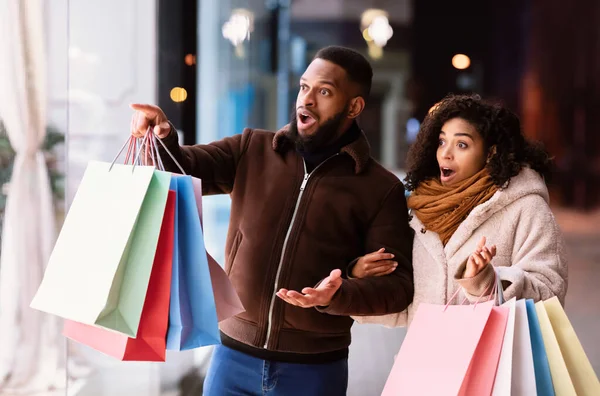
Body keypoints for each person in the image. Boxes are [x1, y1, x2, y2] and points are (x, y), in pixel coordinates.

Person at [130, 46, 414, 395]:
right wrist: (163, 137)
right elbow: (181, 168)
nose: (306, 100)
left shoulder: (380, 188)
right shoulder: (253, 149)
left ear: (354, 107)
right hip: (231, 360)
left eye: (323, 91)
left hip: (315, 371)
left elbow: (398, 288)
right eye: (303, 87)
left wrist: (337, 294)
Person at [352, 94, 567, 328]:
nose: (445, 153)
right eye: (442, 142)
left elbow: (550, 293)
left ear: (490, 153)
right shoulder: (421, 210)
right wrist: (362, 281)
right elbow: (404, 309)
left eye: (462, 144)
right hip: (427, 361)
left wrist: (488, 283)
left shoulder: (526, 207)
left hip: (494, 362)